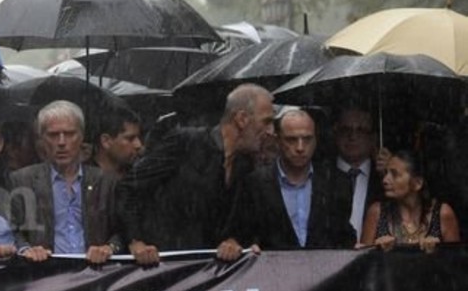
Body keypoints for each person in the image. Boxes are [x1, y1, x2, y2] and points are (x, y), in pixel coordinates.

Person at [119, 83, 275, 265]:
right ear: (241, 119)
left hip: (211, 276)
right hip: (164, 270)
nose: (271, 132)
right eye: (266, 122)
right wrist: (136, 241)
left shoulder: (245, 166)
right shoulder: (185, 143)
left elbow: (240, 223)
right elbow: (129, 187)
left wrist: (234, 241)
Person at [219, 109, 356, 259]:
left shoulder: (336, 183)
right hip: (274, 275)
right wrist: (231, 245)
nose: (300, 147)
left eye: (307, 139)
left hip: (324, 276)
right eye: (291, 139)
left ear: (316, 140)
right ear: (278, 141)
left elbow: (344, 237)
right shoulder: (254, 184)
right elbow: (237, 234)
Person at [9, 101, 122, 264]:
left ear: (81, 136)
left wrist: (109, 248)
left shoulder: (106, 181)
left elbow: (122, 231)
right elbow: (10, 231)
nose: (62, 142)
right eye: (53, 135)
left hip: (95, 273)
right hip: (45, 275)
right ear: (41, 139)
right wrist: (26, 249)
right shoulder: (22, 180)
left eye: (69, 134)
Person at [359, 150, 460, 253]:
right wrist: (376, 250)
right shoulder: (377, 212)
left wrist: (438, 252)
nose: (385, 180)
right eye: (386, 173)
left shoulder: (442, 214)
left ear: (417, 183)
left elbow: (456, 264)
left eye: (394, 174)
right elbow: (361, 262)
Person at [333, 107, 384, 240]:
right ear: (336, 133)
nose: (353, 136)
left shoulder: (384, 178)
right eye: (346, 129)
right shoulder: (318, 175)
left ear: (373, 138)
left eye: (361, 130)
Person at [94, 106, 145, 177]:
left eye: (138, 138)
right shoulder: (82, 178)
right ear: (106, 141)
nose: (138, 145)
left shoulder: (138, 174)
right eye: (130, 139)